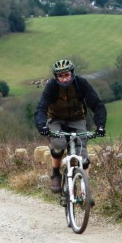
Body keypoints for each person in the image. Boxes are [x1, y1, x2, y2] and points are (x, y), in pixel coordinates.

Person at [34, 59, 107, 201]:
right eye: (60, 76)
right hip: (56, 120)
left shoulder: (81, 84)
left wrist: (100, 126)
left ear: (72, 74)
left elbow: (97, 105)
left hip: (77, 119)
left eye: (66, 75)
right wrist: (42, 126)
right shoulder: (52, 87)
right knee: (59, 144)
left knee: (83, 157)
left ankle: (86, 190)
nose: (64, 79)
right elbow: (41, 109)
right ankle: (55, 173)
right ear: (56, 77)